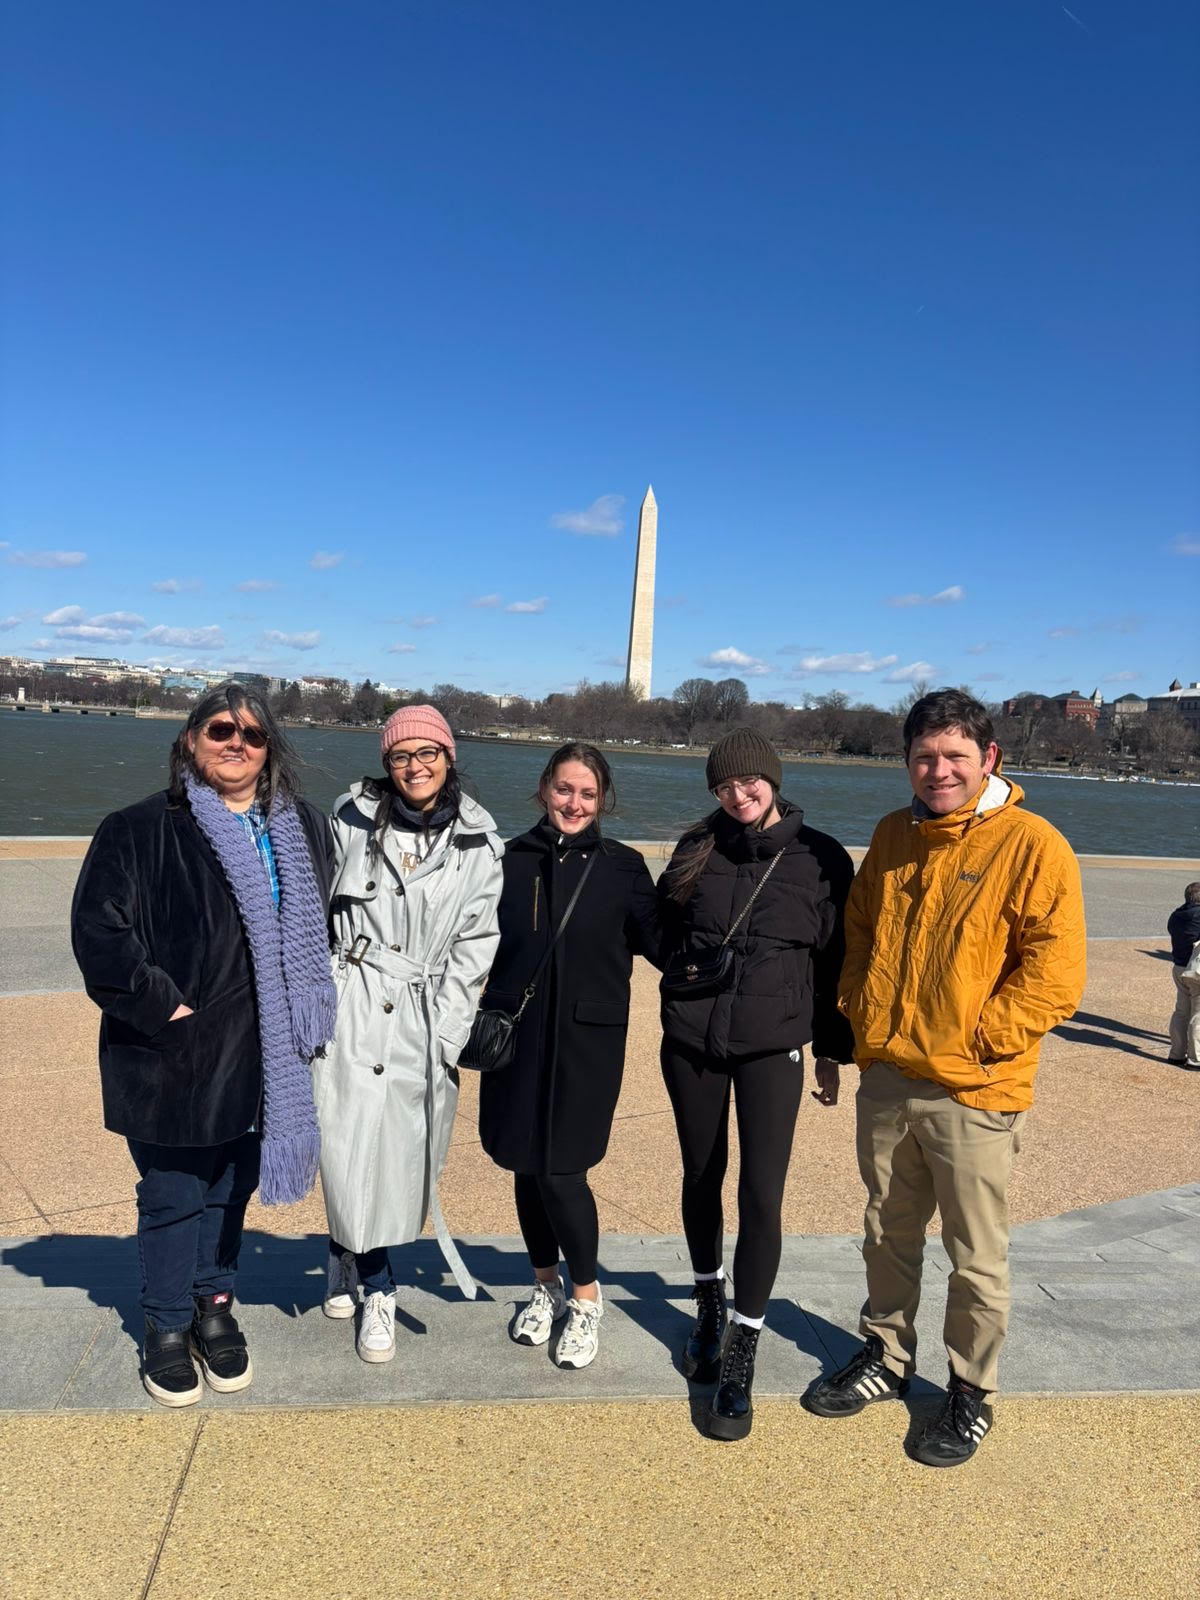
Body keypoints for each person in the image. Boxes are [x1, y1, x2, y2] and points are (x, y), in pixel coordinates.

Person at [806, 688, 1086, 1467]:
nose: (939, 771)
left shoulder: (1034, 845)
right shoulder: (894, 835)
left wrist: (977, 1040)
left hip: (975, 1086)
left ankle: (970, 1389)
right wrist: (862, 1014)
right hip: (891, 1077)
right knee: (886, 1233)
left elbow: (1055, 975)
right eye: (925, 757)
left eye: (955, 756)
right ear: (908, 762)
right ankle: (887, 1356)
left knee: (975, 1252)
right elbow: (860, 931)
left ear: (989, 759)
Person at [71, 684, 335, 1406]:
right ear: (190, 739)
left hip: (267, 1056)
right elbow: (100, 934)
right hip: (175, 1055)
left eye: (253, 735)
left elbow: (325, 927)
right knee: (172, 1196)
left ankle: (213, 1310)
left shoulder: (307, 827)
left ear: (270, 750)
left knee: (228, 1190)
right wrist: (166, 1008)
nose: (237, 743)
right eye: (221, 729)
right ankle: (163, 1326)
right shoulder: (138, 828)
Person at [658, 727, 853, 1441]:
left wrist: (831, 1050)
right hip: (692, 1044)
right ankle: (708, 1306)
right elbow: (655, 926)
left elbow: (835, 963)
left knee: (761, 1194)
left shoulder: (821, 858)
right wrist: (686, 973)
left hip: (774, 1049)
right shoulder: (695, 848)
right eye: (723, 788)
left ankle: (743, 1347)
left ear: (773, 780)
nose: (737, 797)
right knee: (701, 1175)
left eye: (748, 784)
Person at [315, 704, 502, 1363]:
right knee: (344, 1148)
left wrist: (448, 1031)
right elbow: (315, 907)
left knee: (400, 1162)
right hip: (352, 1002)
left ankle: (348, 1253)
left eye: (428, 753)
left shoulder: (480, 842)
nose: (415, 766)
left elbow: (477, 944)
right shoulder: (349, 818)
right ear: (386, 764)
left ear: (449, 759)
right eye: (401, 755)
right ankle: (377, 1286)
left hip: (423, 1015)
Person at [478, 743, 660, 1370]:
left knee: (562, 1172)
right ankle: (544, 1286)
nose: (574, 804)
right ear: (543, 790)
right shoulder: (507, 860)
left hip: (587, 1043)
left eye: (587, 793)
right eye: (564, 789)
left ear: (602, 799)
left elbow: (666, 944)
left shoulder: (624, 867)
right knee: (525, 1167)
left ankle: (586, 1299)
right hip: (516, 1036)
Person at [1166, 881, 1200, 1070]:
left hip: (1179, 967)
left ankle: (1176, 1054)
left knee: (1181, 1011)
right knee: (1198, 1014)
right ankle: (1196, 1059)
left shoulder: (1176, 915)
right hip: (1197, 969)